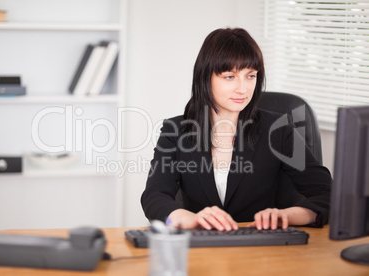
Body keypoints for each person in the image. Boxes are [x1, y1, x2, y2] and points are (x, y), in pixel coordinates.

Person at [141, 28, 331, 231]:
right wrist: (188, 219)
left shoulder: (279, 129)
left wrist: (286, 215)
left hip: (263, 247)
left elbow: (328, 194)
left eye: (250, 76)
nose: (243, 88)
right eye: (230, 77)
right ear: (206, 78)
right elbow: (155, 196)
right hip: (202, 247)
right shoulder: (175, 132)